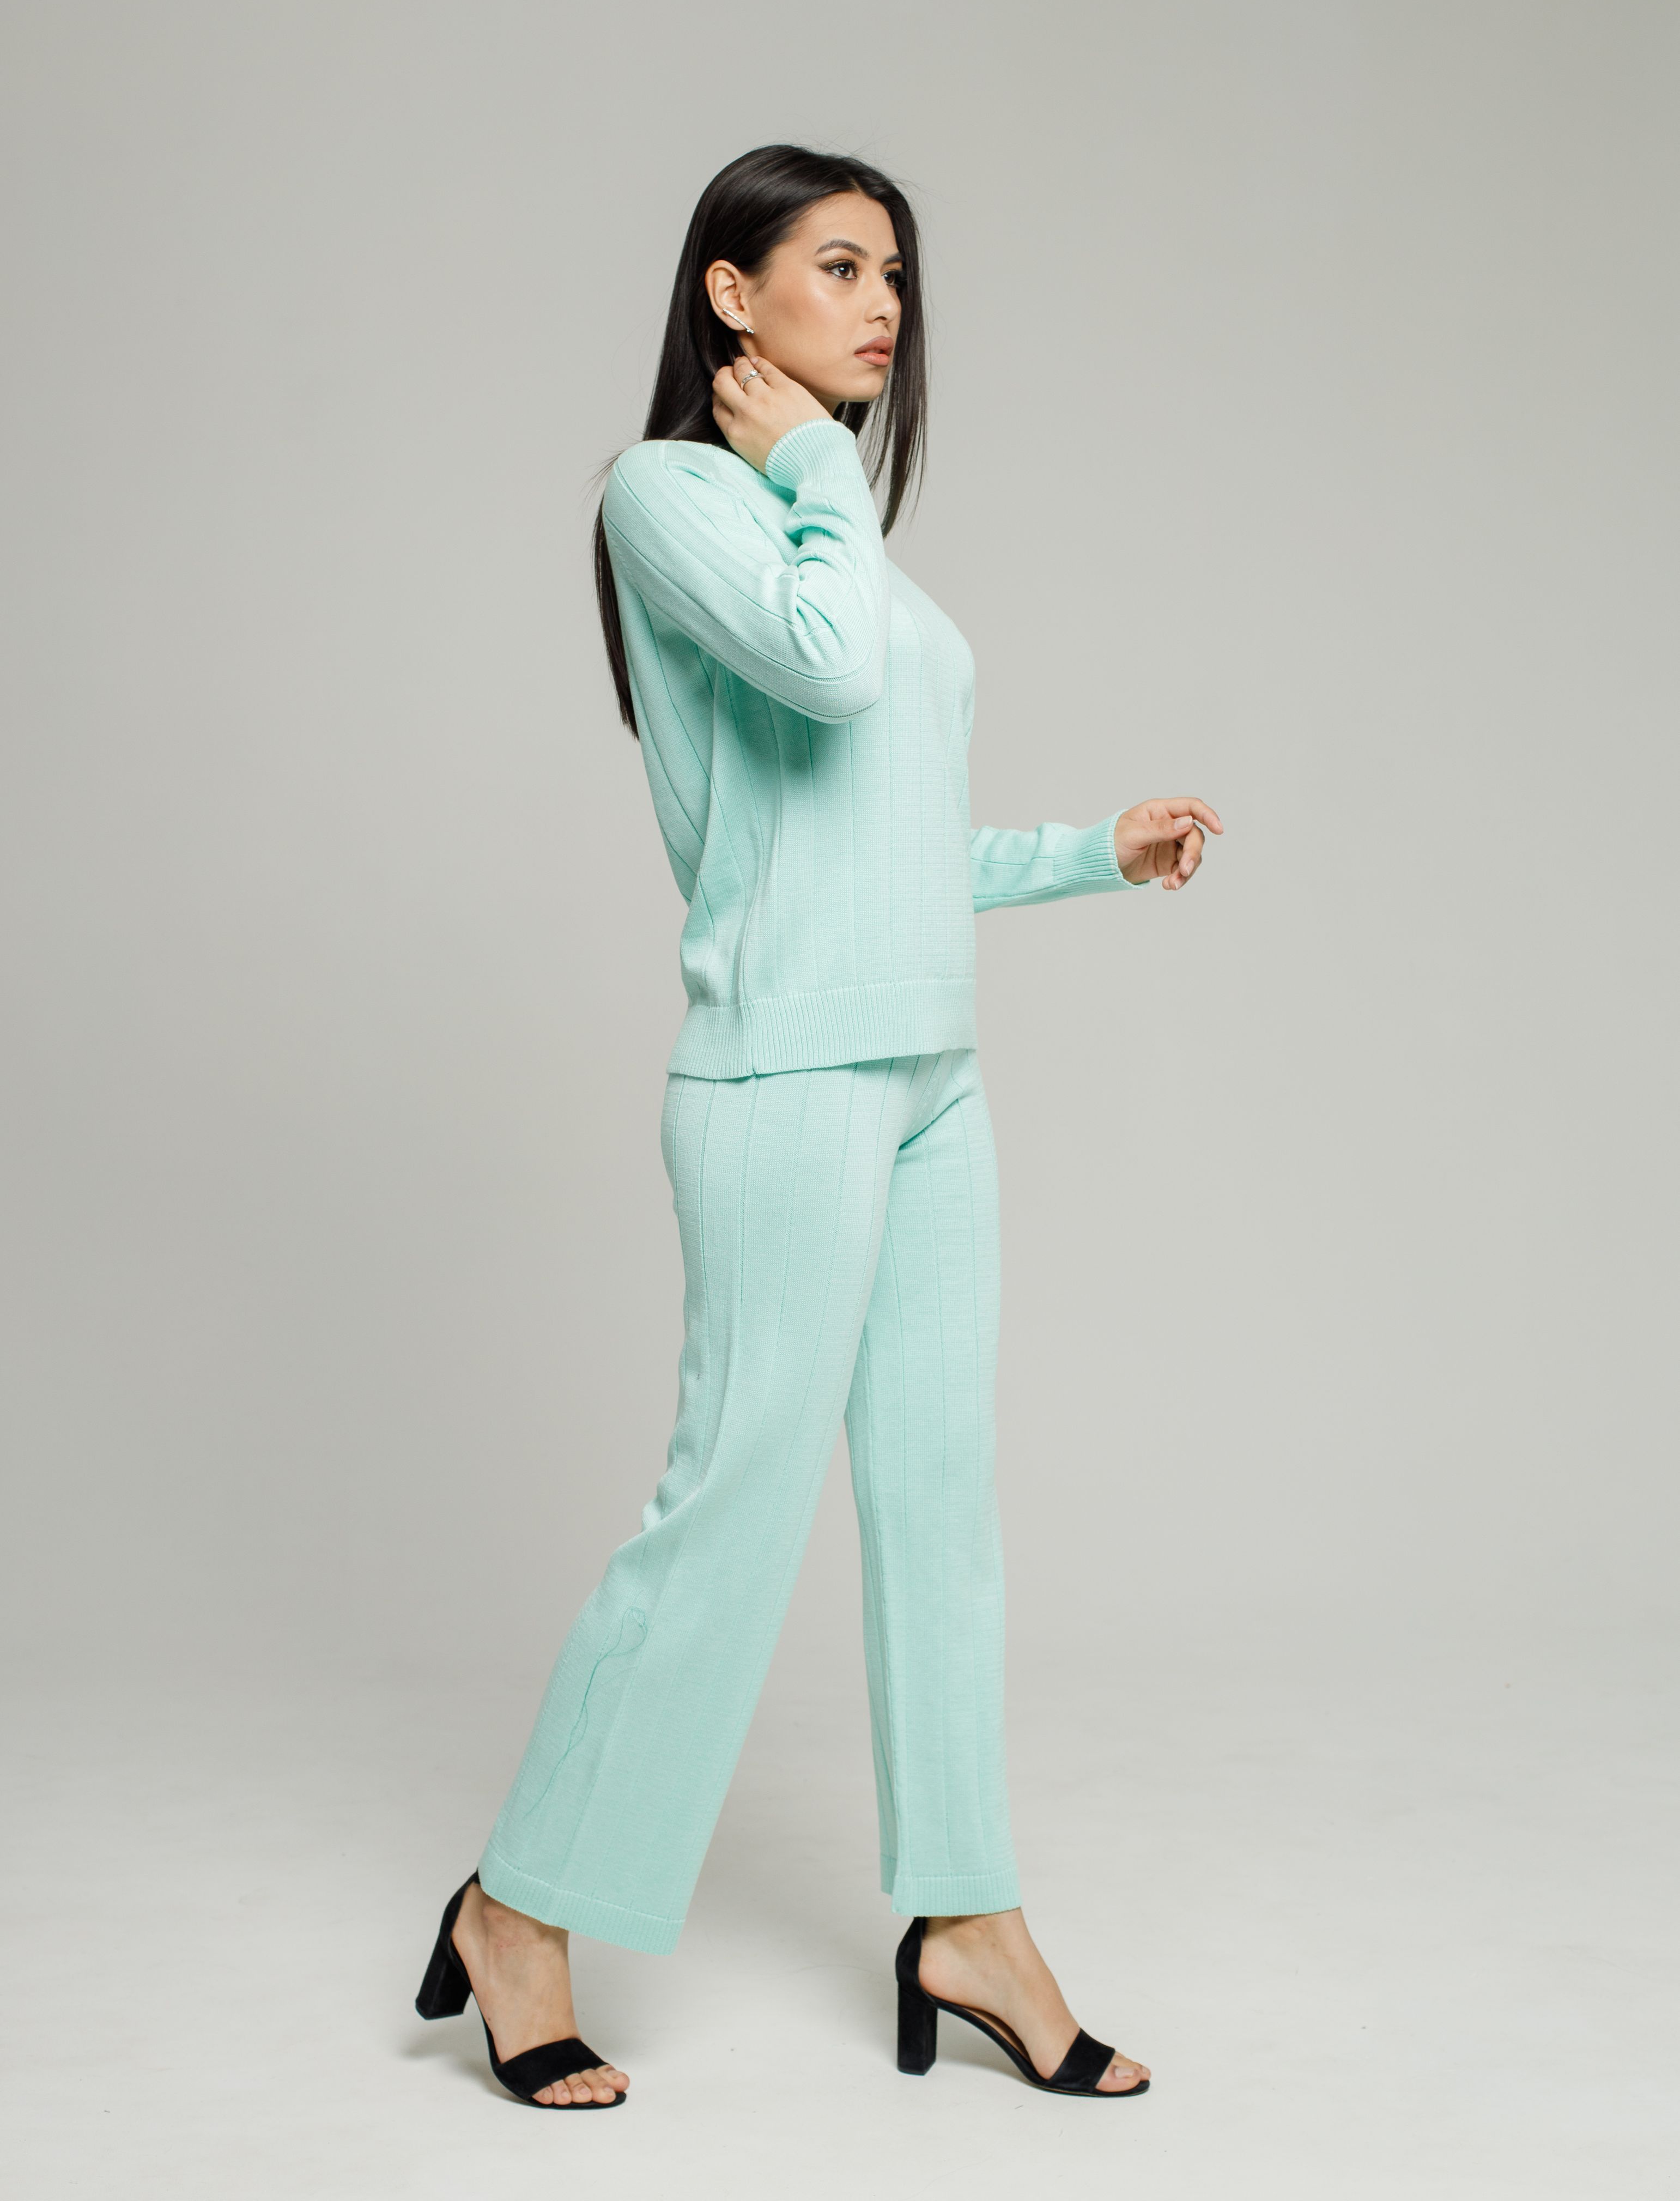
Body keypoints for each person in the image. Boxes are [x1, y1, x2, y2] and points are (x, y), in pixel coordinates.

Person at [414, 143, 1221, 2110]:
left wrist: (1088, 851)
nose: (881, 308)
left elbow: (880, 840)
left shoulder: (818, 519)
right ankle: (521, 1907)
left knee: (940, 1514)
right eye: (839, 266)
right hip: (782, 1073)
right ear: (729, 290)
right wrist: (816, 476)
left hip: (930, 1070)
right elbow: (828, 668)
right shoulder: (677, 494)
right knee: (733, 1503)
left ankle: (968, 1916)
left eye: (896, 277)